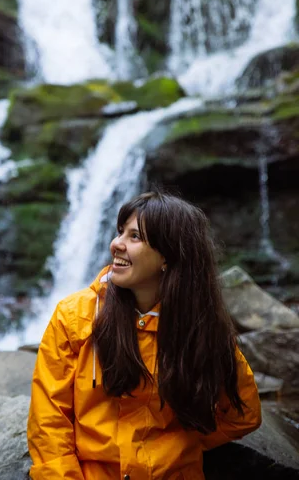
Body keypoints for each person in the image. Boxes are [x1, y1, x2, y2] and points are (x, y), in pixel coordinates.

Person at [27, 191, 262, 480]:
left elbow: (244, 412)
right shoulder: (75, 316)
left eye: (134, 236)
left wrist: (177, 446)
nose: (116, 244)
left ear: (169, 255)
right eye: (120, 232)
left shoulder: (200, 325)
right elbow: (49, 422)